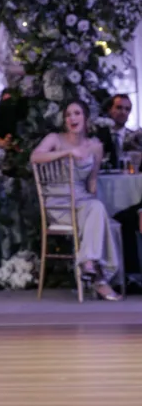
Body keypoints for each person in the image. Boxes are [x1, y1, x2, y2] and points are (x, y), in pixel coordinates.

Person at [31, 100, 121, 301]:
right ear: (64, 121)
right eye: (68, 115)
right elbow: (35, 157)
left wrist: (98, 209)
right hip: (59, 203)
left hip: (82, 200)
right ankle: (99, 278)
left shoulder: (95, 147)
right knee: (96, 212)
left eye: (77, 113)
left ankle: (89, 265)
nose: (72, 118)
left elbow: (92, 181)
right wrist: (67, 152)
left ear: (86, 118)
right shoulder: (55, 139)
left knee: (97, 209)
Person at [96, 94, 136, 170]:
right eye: (119, 108)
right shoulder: (98, 136)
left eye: (127, 109)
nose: (123, 112)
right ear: (109, 109)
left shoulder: (135, 138)